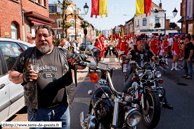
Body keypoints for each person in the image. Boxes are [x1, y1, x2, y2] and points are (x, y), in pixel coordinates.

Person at [9, 25, 87, 129]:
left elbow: (80, 66)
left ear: (53, 38)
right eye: (39, 36)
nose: (42, 38)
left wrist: (81, 59)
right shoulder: (26, 55)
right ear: (36, 38)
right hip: (37, 112)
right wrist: (22, 76)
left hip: (61, 110)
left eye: (45, 35)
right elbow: (11, 75)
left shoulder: (63, 53)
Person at [123, 38, 173, 109]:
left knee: (156, 85)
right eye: (140, 42)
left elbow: (153, 57)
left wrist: (160, 62)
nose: (142, 43)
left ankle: (164, 101)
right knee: (127, 85)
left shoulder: (147, 52)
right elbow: (129, 56)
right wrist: (126, 60)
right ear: (136, 43)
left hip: (147, 72)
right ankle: (123, 101)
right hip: (137, 73)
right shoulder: (133, 52)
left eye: (143, 42)